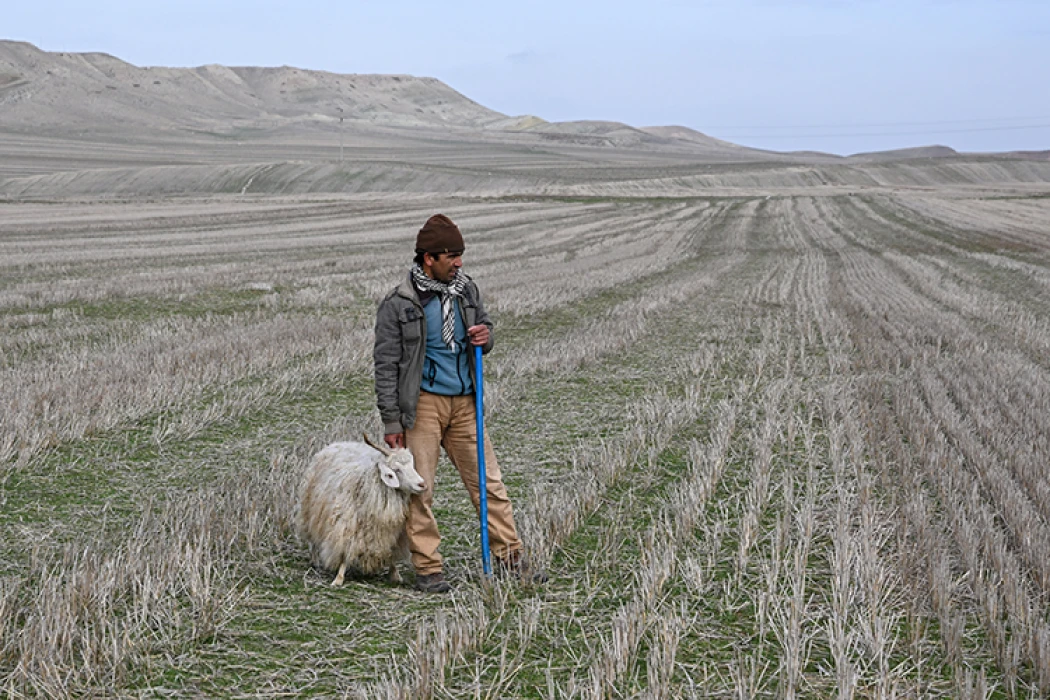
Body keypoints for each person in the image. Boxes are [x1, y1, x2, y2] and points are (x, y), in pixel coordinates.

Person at [373, 213, 545, 593]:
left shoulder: (467, 291)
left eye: (461, 255)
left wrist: (487, 337)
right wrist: (392, 423)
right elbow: (385, 365)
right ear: (428, 258)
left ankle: (510, 559)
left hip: (467, 403)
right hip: (423, 407)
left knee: (489, 484)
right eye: (451, 256)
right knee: (421, 490)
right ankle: (429, 569)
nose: (460, 263)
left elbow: (485, 333)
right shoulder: (399, 303)